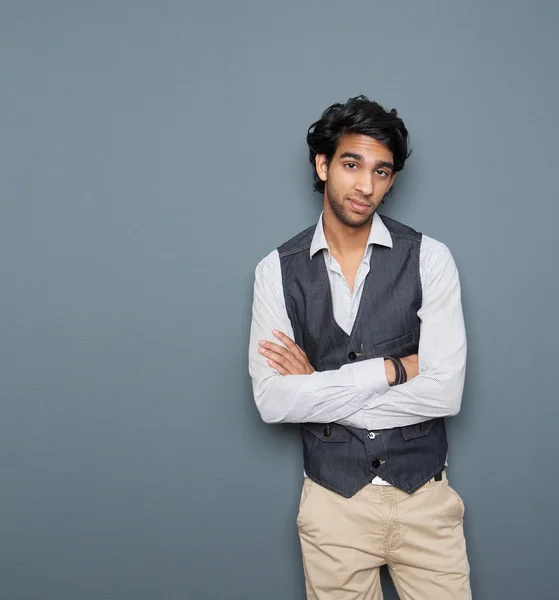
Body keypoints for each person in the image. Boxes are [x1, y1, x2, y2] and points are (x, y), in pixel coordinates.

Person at [248, 95, 470, 599]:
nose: (366, 186)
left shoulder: (430, 259)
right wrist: (391, 370)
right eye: (352, 164)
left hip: (426, 504)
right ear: (323, 164)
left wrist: (316, 391)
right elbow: (272, 401)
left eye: (382, 171)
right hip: (332, 509)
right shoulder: (275, 271)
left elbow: (445, 395)